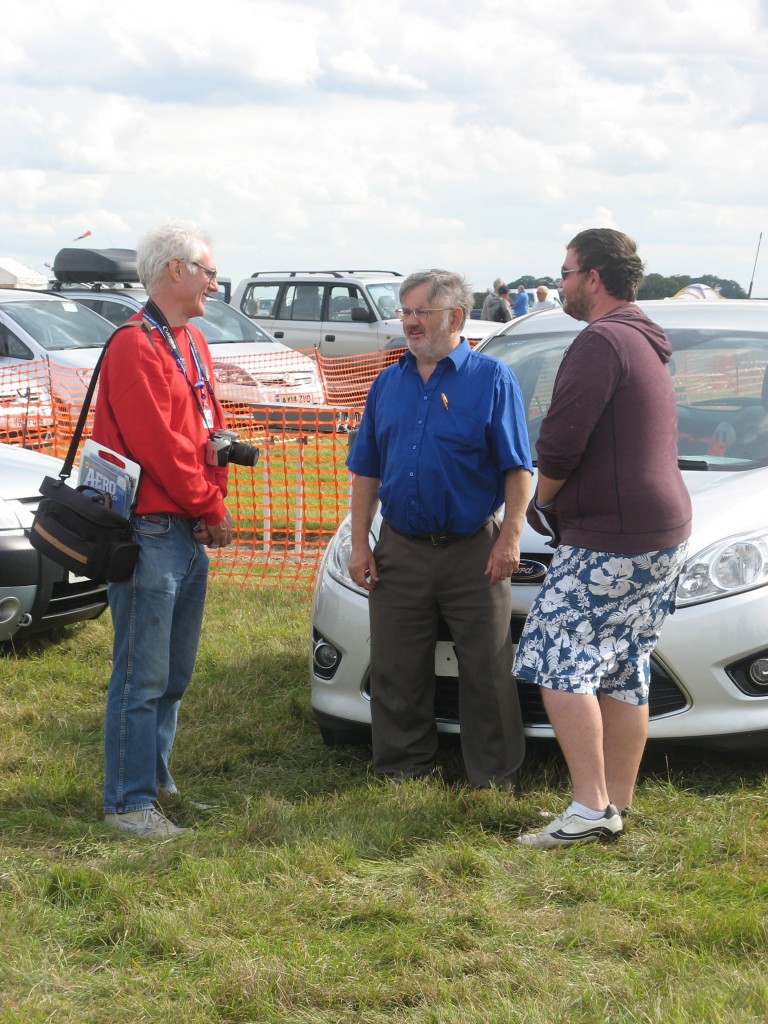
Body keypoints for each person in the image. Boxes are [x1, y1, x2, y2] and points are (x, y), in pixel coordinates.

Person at [512, 228, 692, 849]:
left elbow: (561, 441)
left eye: (564, 272)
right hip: (660, 529)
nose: (559, 283)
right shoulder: (645, 338)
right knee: (622, 667)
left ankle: (589, 809)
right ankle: (615, 803)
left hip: (613, 533)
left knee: (556, 659)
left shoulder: (601, 341)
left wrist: (546, 499)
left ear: (592, 277)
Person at [347, 269, 533, 787]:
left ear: (453, 317)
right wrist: (360, 543)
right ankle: (403, 771)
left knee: (488, 670)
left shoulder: (492, 380)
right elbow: (366, 469)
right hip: (399, 549)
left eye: (418, 312)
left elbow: (518, 469)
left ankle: (494, 777)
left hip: (473, 551)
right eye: (404, 312)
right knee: (396, 667)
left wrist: (510, 537)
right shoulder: (388, 382)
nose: (408, 322)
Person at [93, 220, 234, 838]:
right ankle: (128, 803)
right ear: (173, 270)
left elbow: (207, 428)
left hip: (182, 525)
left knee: (173, 673)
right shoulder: (134, 344)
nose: (213, 283)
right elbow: (161, 446)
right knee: (141, 674)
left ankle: (156, 782)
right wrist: (210, 506)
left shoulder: (190, 341)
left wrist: (212, 492)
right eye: (208, 272)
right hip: (152, 529)